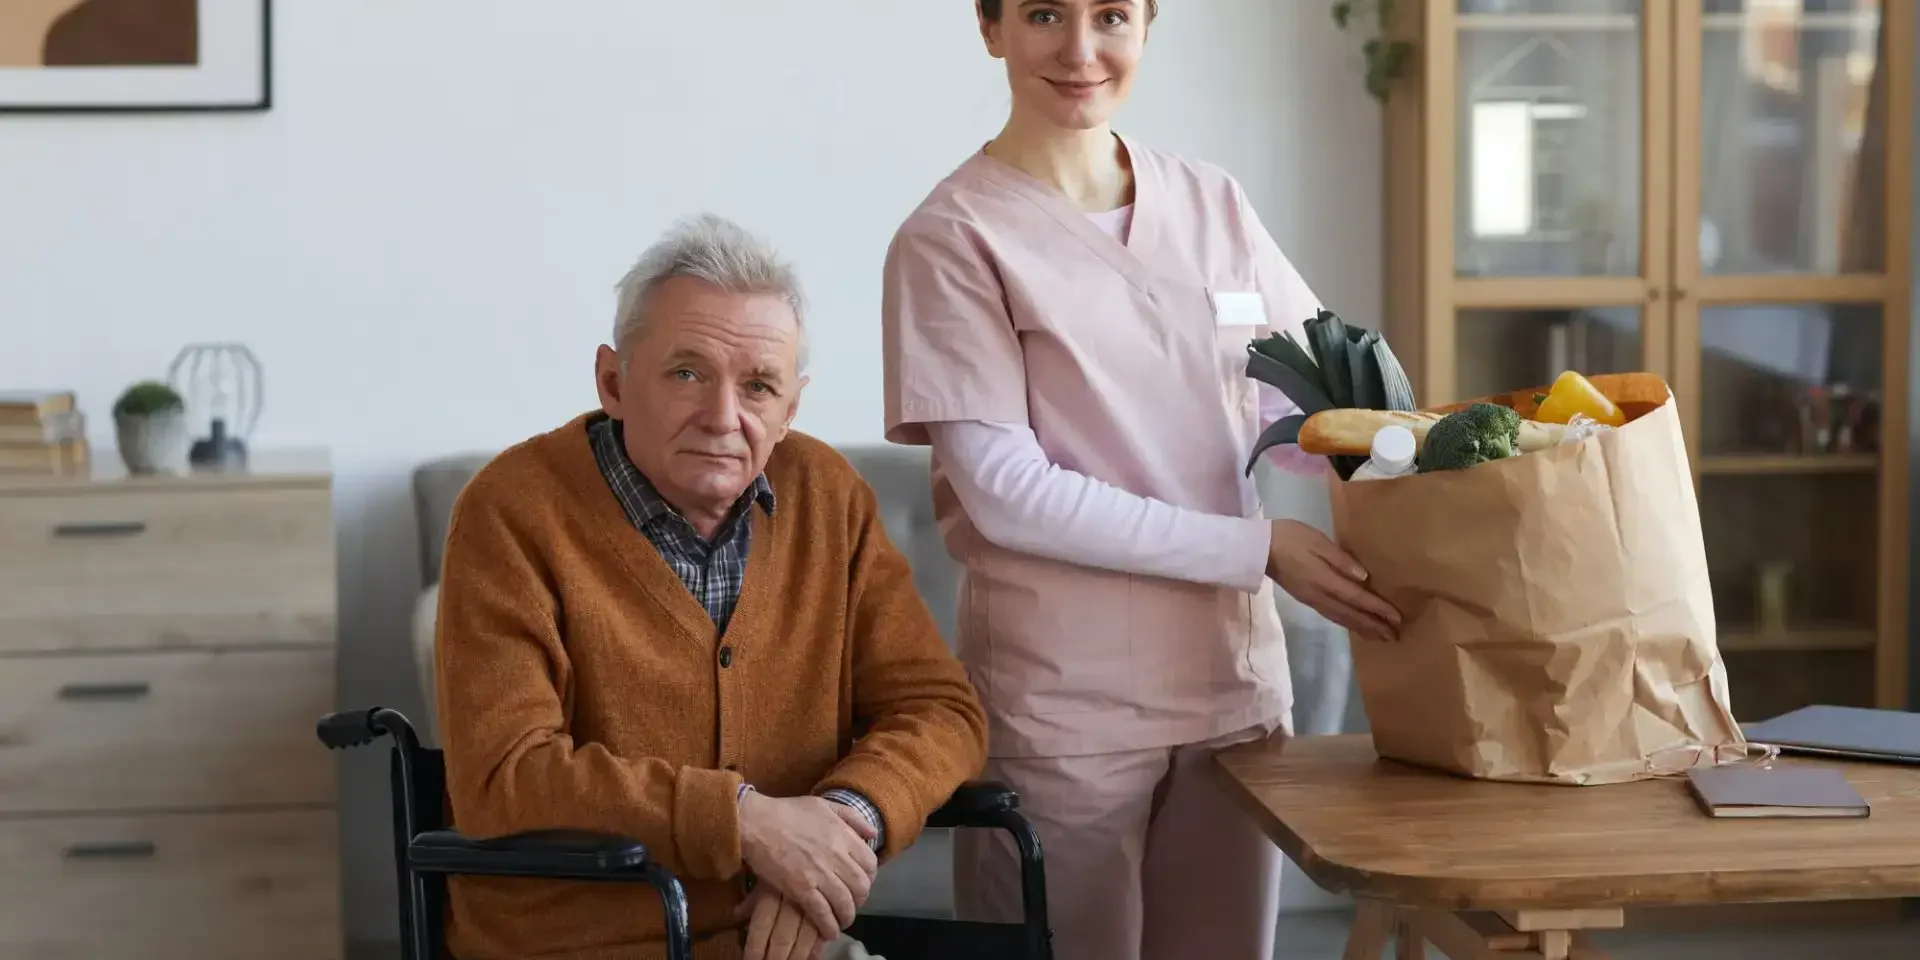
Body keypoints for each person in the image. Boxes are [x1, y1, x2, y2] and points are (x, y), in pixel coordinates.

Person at [878, 3, 1403, 959]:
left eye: (1111, 15)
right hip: (1066, 711)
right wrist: (1260, 548)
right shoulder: (952, 239)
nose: (1081, 51)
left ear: (1148, 27)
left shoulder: (1215, 205)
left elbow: (1324, 404)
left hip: (1232, 700)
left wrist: (1441, 469)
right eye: (1044, 14)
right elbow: (1007, 491)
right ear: (991, 28)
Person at [435, 212, 988, 960]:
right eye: (687, 373)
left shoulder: (828, 497)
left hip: (787, 939)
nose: (724, 418)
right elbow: (505, 773)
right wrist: (748, 823)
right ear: (613, 381)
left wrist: (833, 831)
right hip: (576, 946)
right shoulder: (512, 511)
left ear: (790, 409)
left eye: (759, 386)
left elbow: (939, 709)